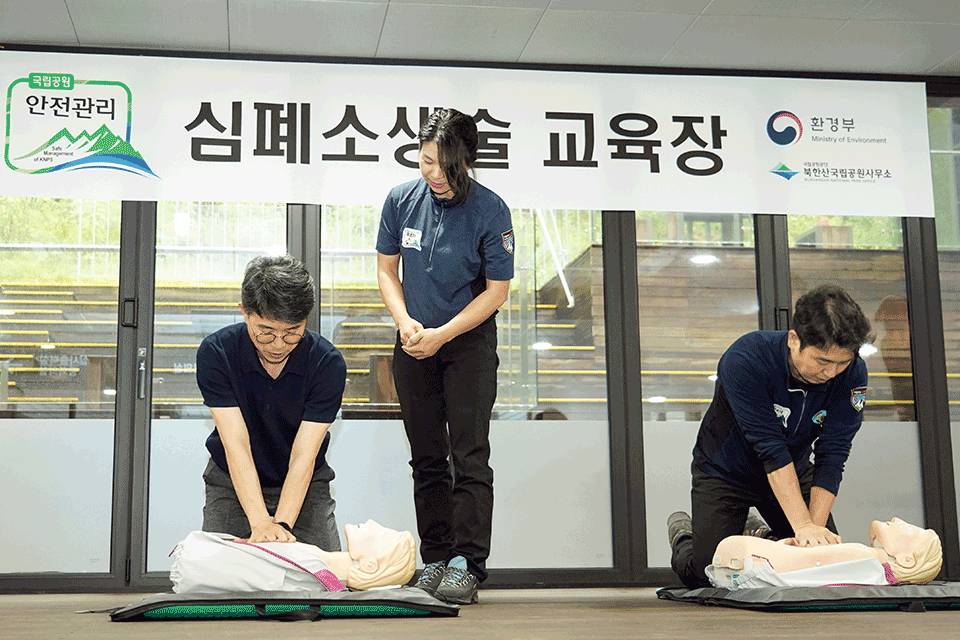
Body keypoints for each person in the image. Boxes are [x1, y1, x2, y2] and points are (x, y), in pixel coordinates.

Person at [375, 108, 515, 604]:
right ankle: (436, 556)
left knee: (469, 455)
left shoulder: (491, 210)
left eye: (444, 164)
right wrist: (406, 324)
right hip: (414, 341)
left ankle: (468, 564)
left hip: (468, 344)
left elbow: (496, 291)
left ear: (466, 161)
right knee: (427, 457)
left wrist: (443, 334)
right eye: (426, 160)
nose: (433, 172)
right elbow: (388, 271)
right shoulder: (400, 201)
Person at [667, 284, 872, 589]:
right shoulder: (746, 359)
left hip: (795, 470)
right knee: (709, 576)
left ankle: (759, 536)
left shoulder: (852, 373)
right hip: (726, 473)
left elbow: (834, 452)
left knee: (821, 570)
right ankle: (685, 533)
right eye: (822, 361)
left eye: (842, 362)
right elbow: (769, 448)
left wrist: (812, 539)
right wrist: (800, 525)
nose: (832, 373)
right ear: (794, 340)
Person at [196, 254, 347, 551]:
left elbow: (304, 454)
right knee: (217, 577)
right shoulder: (216, 353)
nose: (278, 345)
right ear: (244, 312)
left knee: (325, 578)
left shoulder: (327, 363)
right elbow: (236, 444)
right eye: (265, 332)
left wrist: (281, 525)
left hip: (305, 483)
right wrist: (260, 524)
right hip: (231, 481)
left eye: (292, 332)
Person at [170, 520, 417, 594]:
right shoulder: (317, 564)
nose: (373, 522)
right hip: (199, 559)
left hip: (197, 562)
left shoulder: (317, 567)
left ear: (371, 565)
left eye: (383, 532)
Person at [707, 517, 942, 588]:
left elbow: (813, 558)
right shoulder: (873, 570)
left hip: (750, 567)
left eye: (909, 529)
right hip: (747, 569)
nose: (897, 519)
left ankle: (682, 534)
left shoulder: (869, 558)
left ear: (907, 560)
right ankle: (760, 531)